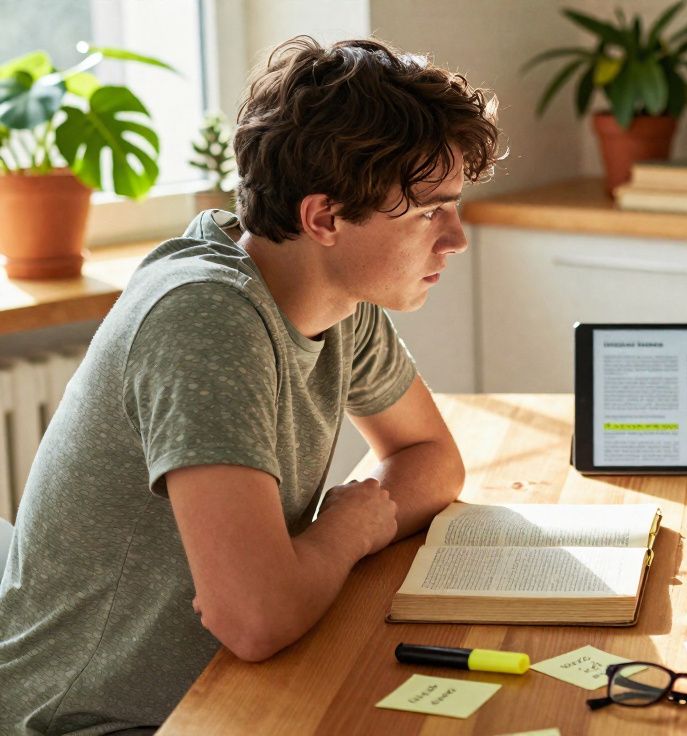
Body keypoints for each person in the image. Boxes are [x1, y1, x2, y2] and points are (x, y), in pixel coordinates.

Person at [0, 36, 500, 735]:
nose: (456, 240)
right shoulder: (205, 320)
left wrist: (312, 558)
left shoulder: (333, 298)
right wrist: (342, 534)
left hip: (222, 684)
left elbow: (432, 459)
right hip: (92, 719)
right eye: (427, 213)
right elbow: (258, 618)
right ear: (323, 217)